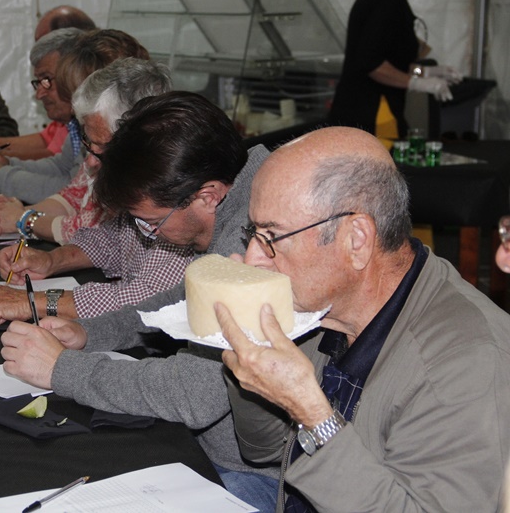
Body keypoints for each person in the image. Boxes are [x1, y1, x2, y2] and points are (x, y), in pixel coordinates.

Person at [0, 92, 281, 511]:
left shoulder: (253, 237)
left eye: (151, 222)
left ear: (208, 195)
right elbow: (179, 301)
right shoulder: (240, 201)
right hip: (218, 449)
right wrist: (89, 333)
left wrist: (62, 369)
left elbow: (194, 395)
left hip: (254, 475)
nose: (150, 235)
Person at [218, 126, 510, 511]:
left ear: (356, 240)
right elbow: (265, 450)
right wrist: (253, 349)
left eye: (271, 236)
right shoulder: (323, 310)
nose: (253, 258)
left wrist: (313, 414)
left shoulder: (464, 364)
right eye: (252, 233)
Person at [0, 59, 193, 324]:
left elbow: (146, 298)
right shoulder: (141, 182)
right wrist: (52, 260)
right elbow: (111, 240)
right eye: (89, 145)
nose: (90, 162)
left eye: (101, 147)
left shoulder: (178, 189)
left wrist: (32, 302)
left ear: (141, 137)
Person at [0, 30, 150, 244]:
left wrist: (23, 218)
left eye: (76, 90)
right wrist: (16, 214)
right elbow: (73, 193)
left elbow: (93, 232)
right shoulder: (97, 131)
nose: (74, 102)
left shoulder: (136, 145)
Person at [0, 7, 97, 164]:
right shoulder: (72, 118)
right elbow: (44, 142)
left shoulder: (98, 117)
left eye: (45, 43)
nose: (39, 94)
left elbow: (54, 160)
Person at [327, 0, 461, 137]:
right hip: (369, 115)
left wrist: (425, 72)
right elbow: (371, 63)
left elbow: (393, 62)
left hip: (372, 114)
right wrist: (417, 83)